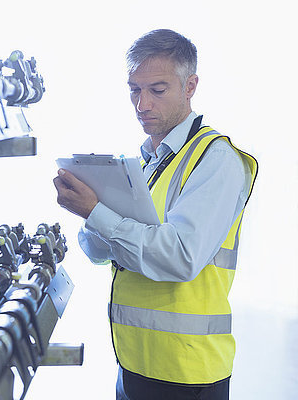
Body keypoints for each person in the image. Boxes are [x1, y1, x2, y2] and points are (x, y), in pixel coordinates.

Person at [53, 29, 258, 400]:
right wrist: (89, 210)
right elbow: (98, 253)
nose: (142, 104)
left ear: (190, 85)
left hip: (187, 373)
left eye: (157, 90)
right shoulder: (145, 164)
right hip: (134, 364)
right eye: (134, 90)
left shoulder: (216, 160)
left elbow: (180, 257)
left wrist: (96, 211)